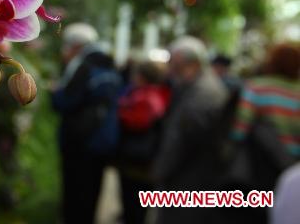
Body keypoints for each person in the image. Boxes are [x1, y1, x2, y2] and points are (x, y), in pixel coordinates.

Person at [52, 23, 122, 224]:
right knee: (92, 192)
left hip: (78, 142)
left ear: (76, 45)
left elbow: (66, 101)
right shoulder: (109, 64)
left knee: (75, 195)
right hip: (102, 140)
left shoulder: (82, 66)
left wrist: (55, 92)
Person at [153, 36, 229, 224]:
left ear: (192, 64)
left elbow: (181, 141)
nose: (170, 70)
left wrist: (161, 170)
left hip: (190, 182)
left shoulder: (203, 94)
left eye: (175, 65)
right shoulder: (199, 87)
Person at [117, 60, 171, 224]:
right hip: (144, 160)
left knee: (133, 205)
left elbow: (138, 122)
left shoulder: (146, 96)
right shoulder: (159, 93)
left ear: (142, 77)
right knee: (137, 205)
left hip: (138, 161)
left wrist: (121, 111)